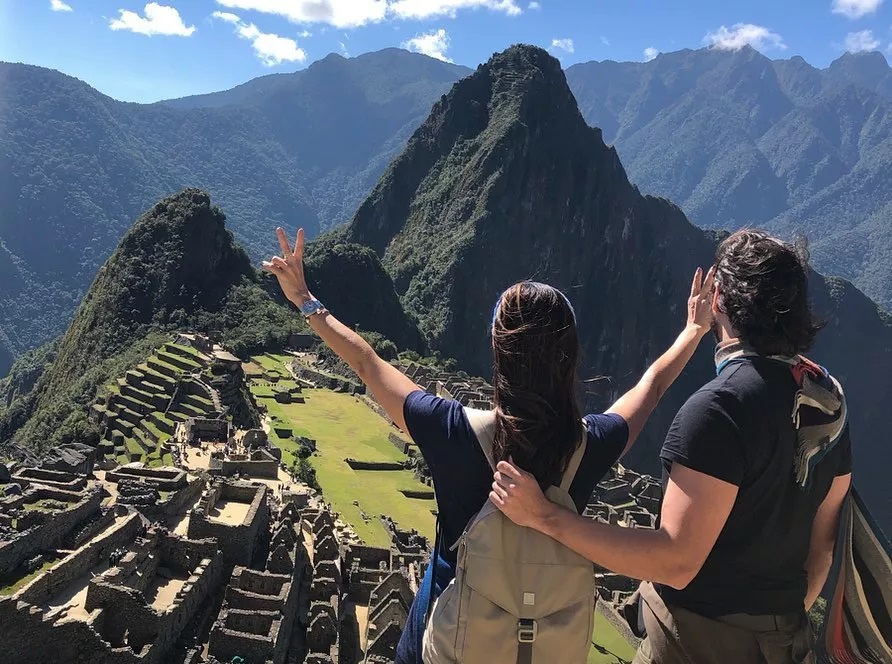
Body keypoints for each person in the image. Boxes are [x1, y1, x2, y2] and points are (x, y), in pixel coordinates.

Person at [263, 227, 716, 664]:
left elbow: (366, 362)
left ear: (497, 353)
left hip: (450, 642)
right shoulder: (590, 445)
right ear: (570, 356)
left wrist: (305, 299)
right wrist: (694, 330)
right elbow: (652, 386)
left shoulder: (452, 432)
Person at [491, 230, 852, 664]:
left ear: (718, 298)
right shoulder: (827, 401)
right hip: (787, 642)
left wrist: (546, 517)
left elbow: (675, 561)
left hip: (697, 643)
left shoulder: (720, 411)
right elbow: (824, 546)